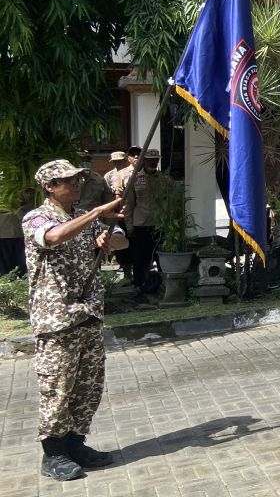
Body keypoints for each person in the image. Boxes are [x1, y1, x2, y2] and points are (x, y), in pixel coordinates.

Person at [22, 159, 123, 481]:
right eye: (68, 181)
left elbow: (122, 239)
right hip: (57, 319)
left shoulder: (82, 217)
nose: (77, 185)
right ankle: (53, 454)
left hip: (89, 314)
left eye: (79, 180)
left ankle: (76, 444)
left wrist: (108, 238)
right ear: (50, 187)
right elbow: (53, 238)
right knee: (57, 387)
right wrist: (96, 213)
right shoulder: (36, 218)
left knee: (87, 386)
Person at [123, 148, 165, 297]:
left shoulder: (164, 179)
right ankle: (138, 285)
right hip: (141, 224)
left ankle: (163, 284)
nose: (153, 162)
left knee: (161, 256)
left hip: (160, 224)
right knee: (140, 257)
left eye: (156, 160)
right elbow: (129, 205)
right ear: (144, 161)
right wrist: (129, 226)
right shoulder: (134, 179)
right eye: (150, 160)